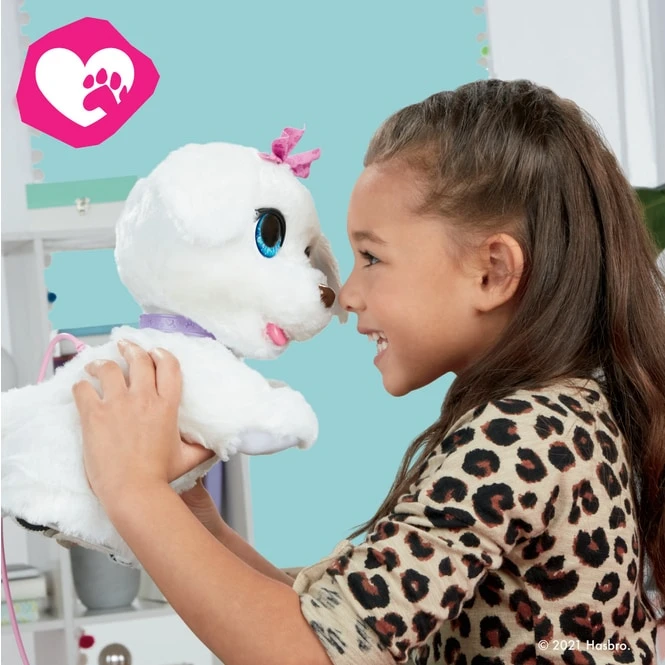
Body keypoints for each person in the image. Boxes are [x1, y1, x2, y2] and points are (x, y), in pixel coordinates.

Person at [73, 79, 665, 665]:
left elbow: (314, 655)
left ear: (493, 271)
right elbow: (337, 626)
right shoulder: (570, 411)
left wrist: (134, 490)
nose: (347, 293)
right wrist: (197, 522)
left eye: (372, 257)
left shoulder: (522, 434)